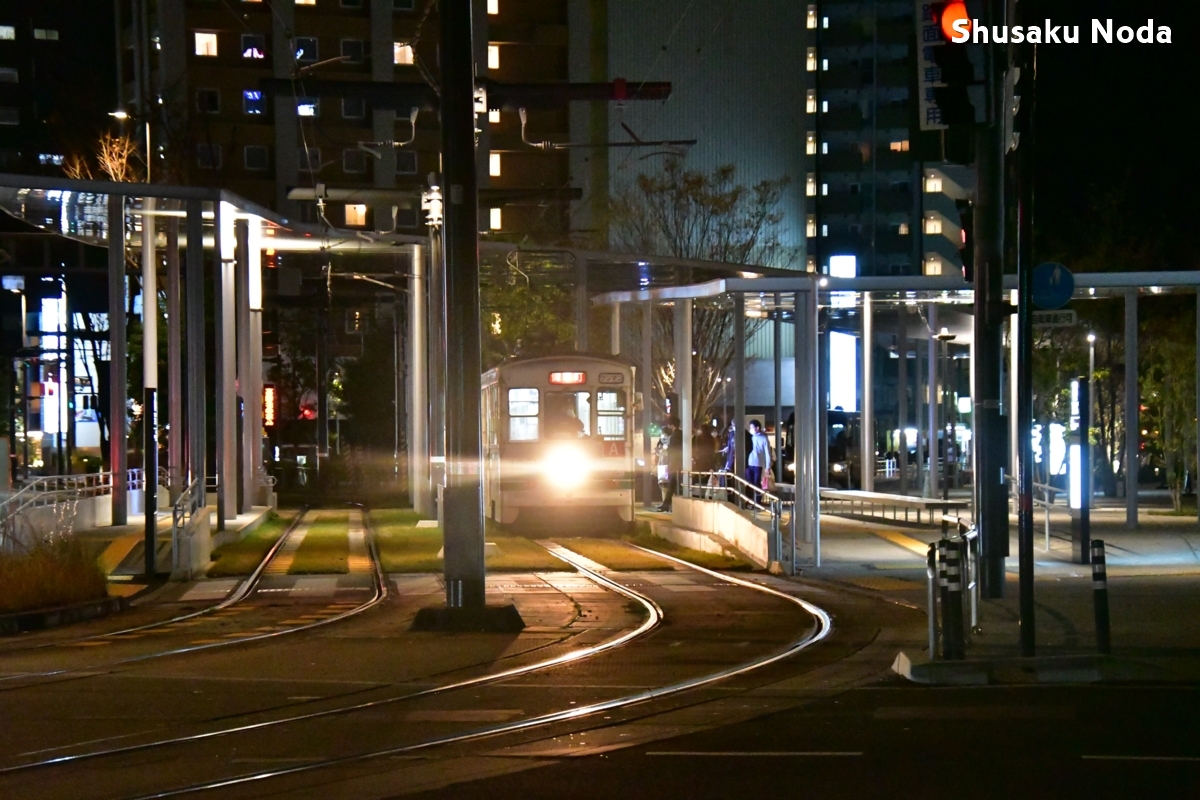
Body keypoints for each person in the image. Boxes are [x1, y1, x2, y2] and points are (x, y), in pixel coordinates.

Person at [655, 417, 684, 512]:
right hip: (676, 462)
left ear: (672, 425)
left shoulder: (675, 435)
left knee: (673, 484)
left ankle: (667, 505)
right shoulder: (679, 434)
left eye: (669, 425)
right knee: (673, 484)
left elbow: (673, 450)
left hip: (675, 463)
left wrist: (666, 450)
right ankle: (666, 505)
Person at [746, 419, 773, 498]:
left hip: (758, 464)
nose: (750, 429)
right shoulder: (750, 437)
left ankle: (757, 501)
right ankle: (750, 500)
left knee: (756, 483)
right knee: (749, 483)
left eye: (752, 427)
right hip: (749, 463)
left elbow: (768, 453)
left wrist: (768, 467)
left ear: (757, 428)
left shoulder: (764, 438)